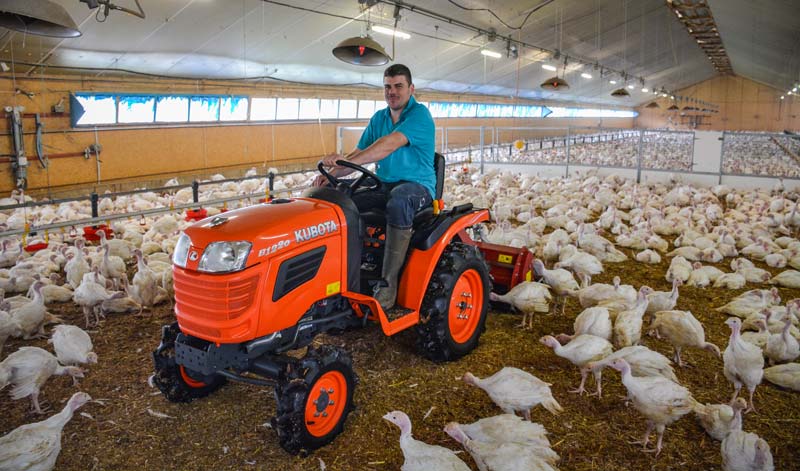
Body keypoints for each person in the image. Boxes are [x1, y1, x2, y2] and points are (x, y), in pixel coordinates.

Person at [313, 64, 435, 310]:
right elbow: (359, 153)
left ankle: (388, 286)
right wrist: (332, 174)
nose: (392, 92)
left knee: (399, 201)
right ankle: (347, 274)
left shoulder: (419, 115)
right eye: (387, 86)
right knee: (344, 202)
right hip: (385, 183)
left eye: (398, 86)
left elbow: (388, 144)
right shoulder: (379, 118)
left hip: (417, 187)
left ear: (411, 89)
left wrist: (348, 161)